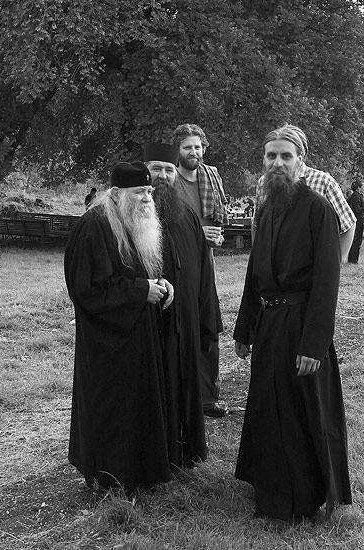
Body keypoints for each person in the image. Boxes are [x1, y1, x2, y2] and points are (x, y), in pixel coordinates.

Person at [233, 133, 352, 521]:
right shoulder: (267, 206)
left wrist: (314, 345)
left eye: (286, 156)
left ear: (301, 160)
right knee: (268, 406)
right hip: (270, 324)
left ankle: (304, 496)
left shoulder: (318, 208)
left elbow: (327, 281)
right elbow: (255, 271)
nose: (277, 163)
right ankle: (270, 487)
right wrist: (244, 328)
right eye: (271, 156)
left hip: (301, 324)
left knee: (303, 412)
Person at [64, 161, 175, 494]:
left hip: (137, 337)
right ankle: (108, 478)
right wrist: (141, 291)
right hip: (107, 344)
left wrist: (158, 283)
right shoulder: (93, 226)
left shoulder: (131, 219)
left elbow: (134, 271)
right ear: (115, 194)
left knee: (139, 406)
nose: (147, 198)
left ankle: (140, 473)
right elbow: (86, 290)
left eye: (149, 191)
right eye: (139, 192)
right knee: (112, 410)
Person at [143, 142, 220, 468]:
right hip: (150, 324)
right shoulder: (132, 214)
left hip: (185, 320)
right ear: (145, 171)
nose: (163, 175)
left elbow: (204, 271)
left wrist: (207, 319)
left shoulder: (187, 215)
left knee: (186, 386)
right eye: (156, 168)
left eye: (169, 170)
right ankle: (157, 456)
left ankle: (186, 452)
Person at [171, 123, 228, 418]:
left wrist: (216, 237)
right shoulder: (169, 181)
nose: (193, 152)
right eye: (187, 147)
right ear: (177, 150)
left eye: (197, 147)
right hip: (179, 265)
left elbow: (217, 220)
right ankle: (180, 395)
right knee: (182, 329)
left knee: (209, 328)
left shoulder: (212, 177)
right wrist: (197, 234)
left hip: (207, 264)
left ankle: (207, 398)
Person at [254, 124, 356, 262]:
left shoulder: (323, 181)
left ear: (301, 155)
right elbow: (257, 224)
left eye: (286, 155)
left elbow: (348, 223)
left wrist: (338, 260)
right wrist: (258, 258)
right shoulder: (265, 182)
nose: (279, 162)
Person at [347, 176, 364, 264]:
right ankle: (353, 260)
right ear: (358, 187)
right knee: (356, 240)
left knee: (358, 240)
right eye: (363, 186)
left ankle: (354, 259)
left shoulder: (359, 196)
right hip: (357, 221)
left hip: (360, 220)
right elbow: (356, 210)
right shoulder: (356, 196)